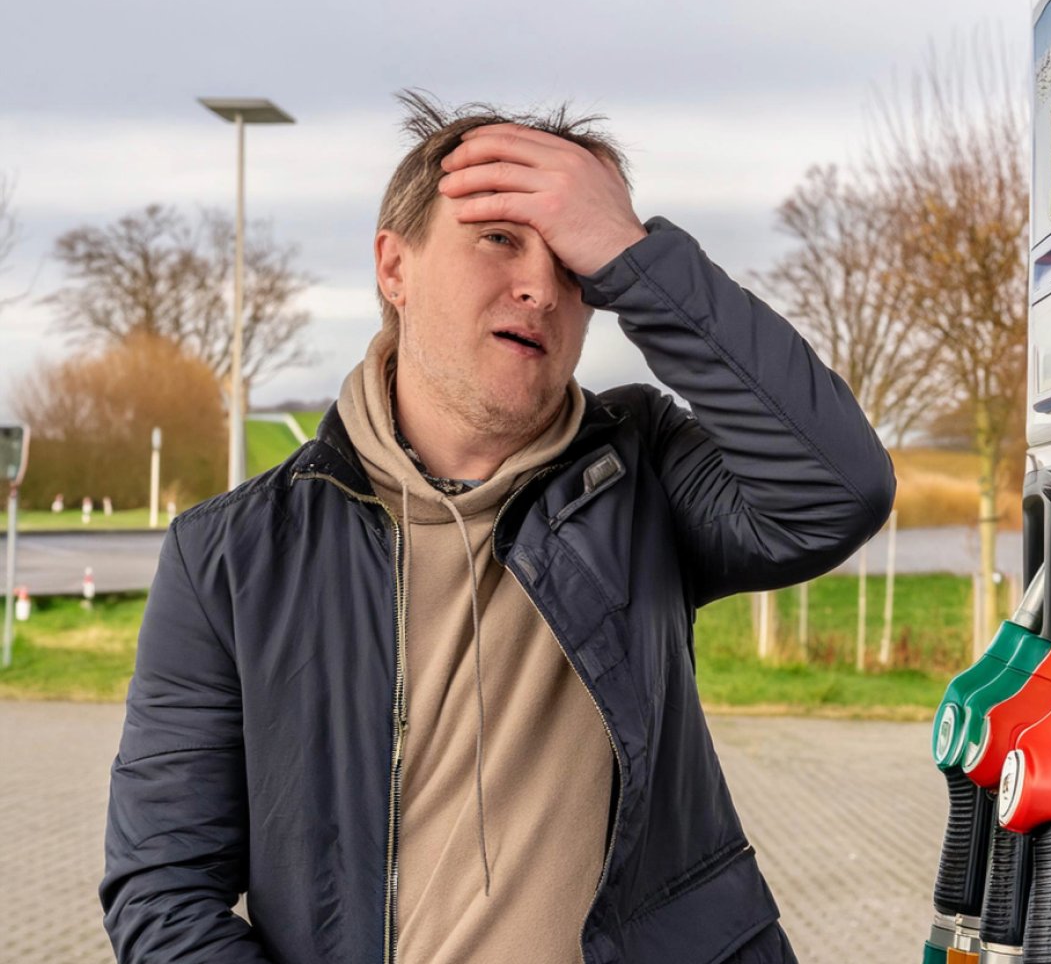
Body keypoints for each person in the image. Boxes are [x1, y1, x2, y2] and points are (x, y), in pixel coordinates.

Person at [101, 94, 895, 964]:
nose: (541, 288)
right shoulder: (233, 553)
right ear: (393, 268)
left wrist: (636, 257)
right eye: (500, 238)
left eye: (575, 258)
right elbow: (163, 891)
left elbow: (837, 490)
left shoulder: (643, 474)